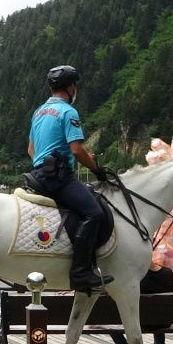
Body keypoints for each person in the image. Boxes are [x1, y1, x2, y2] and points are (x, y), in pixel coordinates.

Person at [27, 64, 114, 293]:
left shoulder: (38, 112)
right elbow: (76, 150)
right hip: (58, 178)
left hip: (38, 174)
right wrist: (96, 168)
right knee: (93, 213)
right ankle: (80, 273)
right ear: (71, 87)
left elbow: (30, 150)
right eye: (76, 86)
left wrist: (45, 164)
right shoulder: (68, 112)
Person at [109, 264, 173, 344]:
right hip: (164, 321)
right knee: (158, 310)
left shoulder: (135, 276)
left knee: (110, 321)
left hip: (139, 321)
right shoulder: (168, 272)